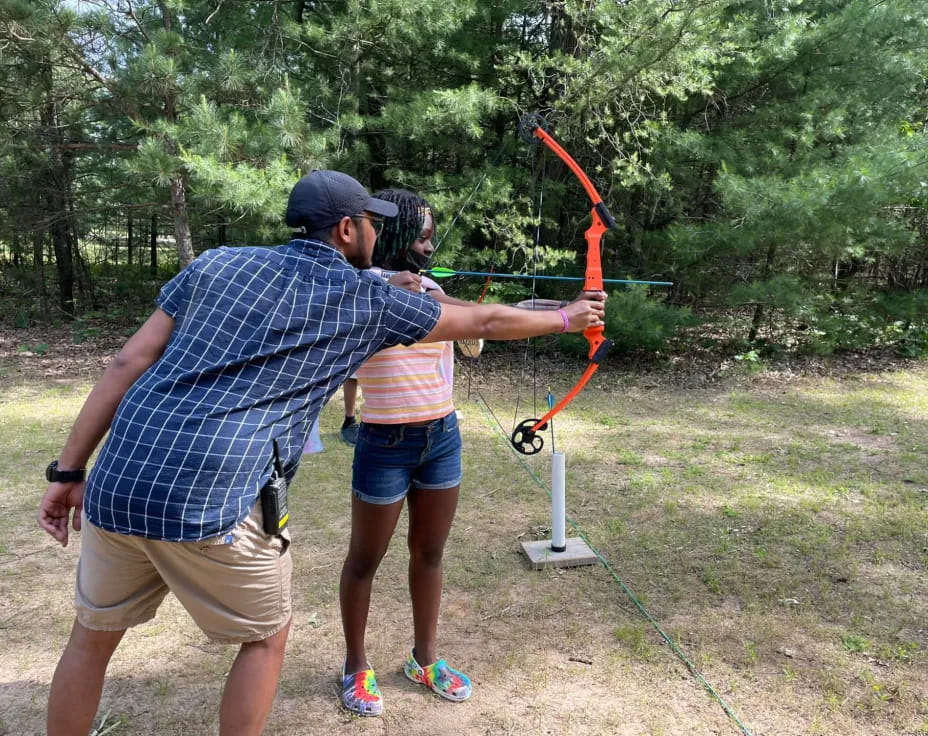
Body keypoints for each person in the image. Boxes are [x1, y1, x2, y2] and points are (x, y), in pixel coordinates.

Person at [37, 170, 606, 736]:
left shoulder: (216, 263)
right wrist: (566, 318)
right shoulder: (365, 298)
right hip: (216, 495)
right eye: (368, 224)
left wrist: (66, 471)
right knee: (263, 639)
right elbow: (480, 319)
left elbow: (127, 363)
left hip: (117, 477)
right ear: (345, 229)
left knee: (90, 637)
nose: (376, 235)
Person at [338, 189, 539, 716]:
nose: (428, 245)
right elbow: (352, 335)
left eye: (432, 235)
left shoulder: (427, 287)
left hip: (440, 437)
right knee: (365, 560)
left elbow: (479, 334)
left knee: (429, 554)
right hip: (384, 440)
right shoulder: (354, 288)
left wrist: (458, 306)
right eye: (422, 234)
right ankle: (356, 666)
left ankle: (424, 660)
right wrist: (390, 287)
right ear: (396, 234)